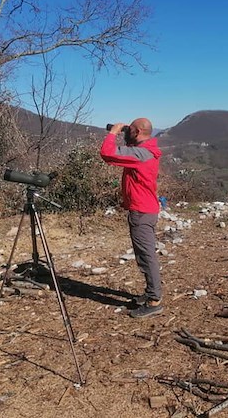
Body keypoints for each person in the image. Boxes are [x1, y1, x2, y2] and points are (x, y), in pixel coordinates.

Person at [100, 118, 163, 318]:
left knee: (146, 255)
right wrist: (127, 134)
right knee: (143, 254)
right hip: (145, 209)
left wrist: (113, 133)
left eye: (130, 130)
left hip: (142, 212)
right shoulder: (145, 150)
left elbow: (107, 154)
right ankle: (150, 293)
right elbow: (125, 152)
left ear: (136, 132)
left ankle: (154, 300)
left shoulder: (141, 154)